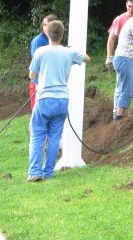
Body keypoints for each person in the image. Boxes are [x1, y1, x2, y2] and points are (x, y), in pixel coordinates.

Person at [28, 20, 90, 181]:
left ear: (47, 33)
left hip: (44, 99)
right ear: (62, 35)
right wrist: (72, 51)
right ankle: (48, 172)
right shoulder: (68, 53)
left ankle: (35, 172)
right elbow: (87, 58)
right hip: (62, 99)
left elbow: (32, 75)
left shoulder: (40, 52)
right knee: (55, 137)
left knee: (38, 135)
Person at [29, 14, 58, 110]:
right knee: (37, 113)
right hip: (38, 83)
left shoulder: (54, 40)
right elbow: (36, 65)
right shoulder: (38, 41)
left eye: (48, 25)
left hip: (52, 84)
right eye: (44, 25)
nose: (46, 28)